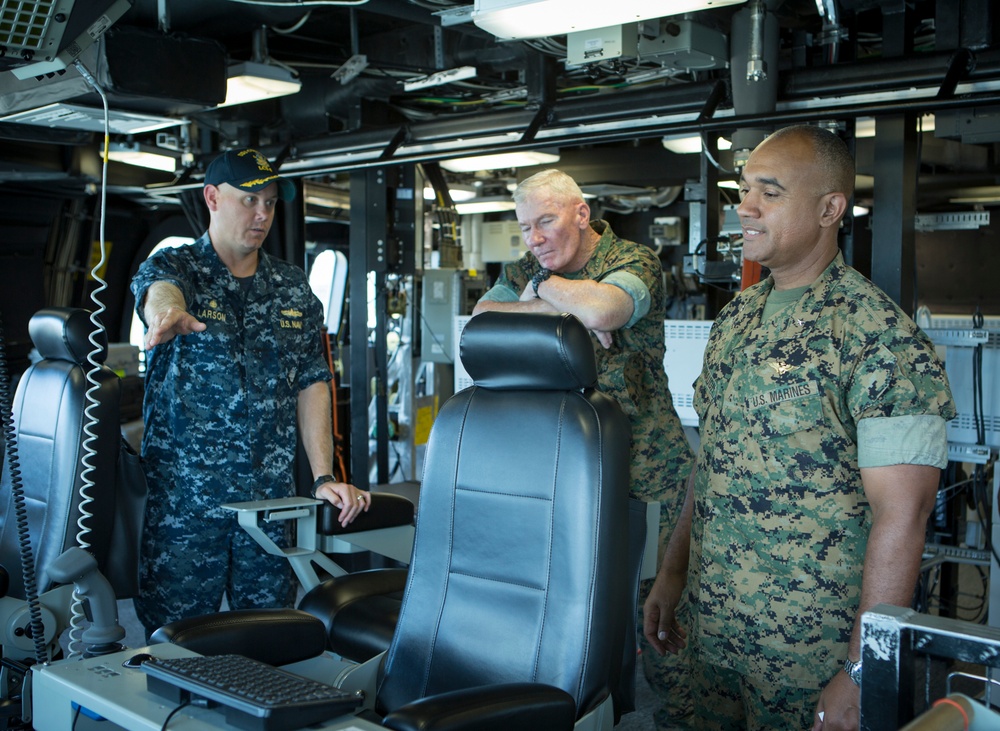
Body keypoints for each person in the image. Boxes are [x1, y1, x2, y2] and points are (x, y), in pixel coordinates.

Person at [643, 125, 956, 731]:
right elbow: (711, 458)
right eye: (743, 190)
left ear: (829, 209)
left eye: (770, 192)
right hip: (711, 628)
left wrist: (863, 668)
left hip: (806, 653)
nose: (745, 207)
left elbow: (904, 514)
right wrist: (674, 571)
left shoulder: (876, 337)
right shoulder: (738, 317)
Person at [472, 168, 696, 726]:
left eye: (545, 222)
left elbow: (607, 311)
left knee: (651, 609)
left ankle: (653, 713)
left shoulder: (633, 260)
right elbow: (480, 320)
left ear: (580, 213)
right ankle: (599, 708)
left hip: (645, 462)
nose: (535, 240)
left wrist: (546, 294)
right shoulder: (523, 267)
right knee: (582, 601)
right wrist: (566, 306)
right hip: (568, 459)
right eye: (526, 229)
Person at [131, 147, 370, 635]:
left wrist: (323, 475)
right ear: (213, 198)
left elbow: (312, 382)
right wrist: (165, 314)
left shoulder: (292, 288)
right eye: (249, 200)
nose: (261, 214)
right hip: (186, 507)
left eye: (269, 202)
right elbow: (160, 290)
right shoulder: (178, 267)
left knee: (267, 635)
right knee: (174, 643)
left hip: (269, 504)